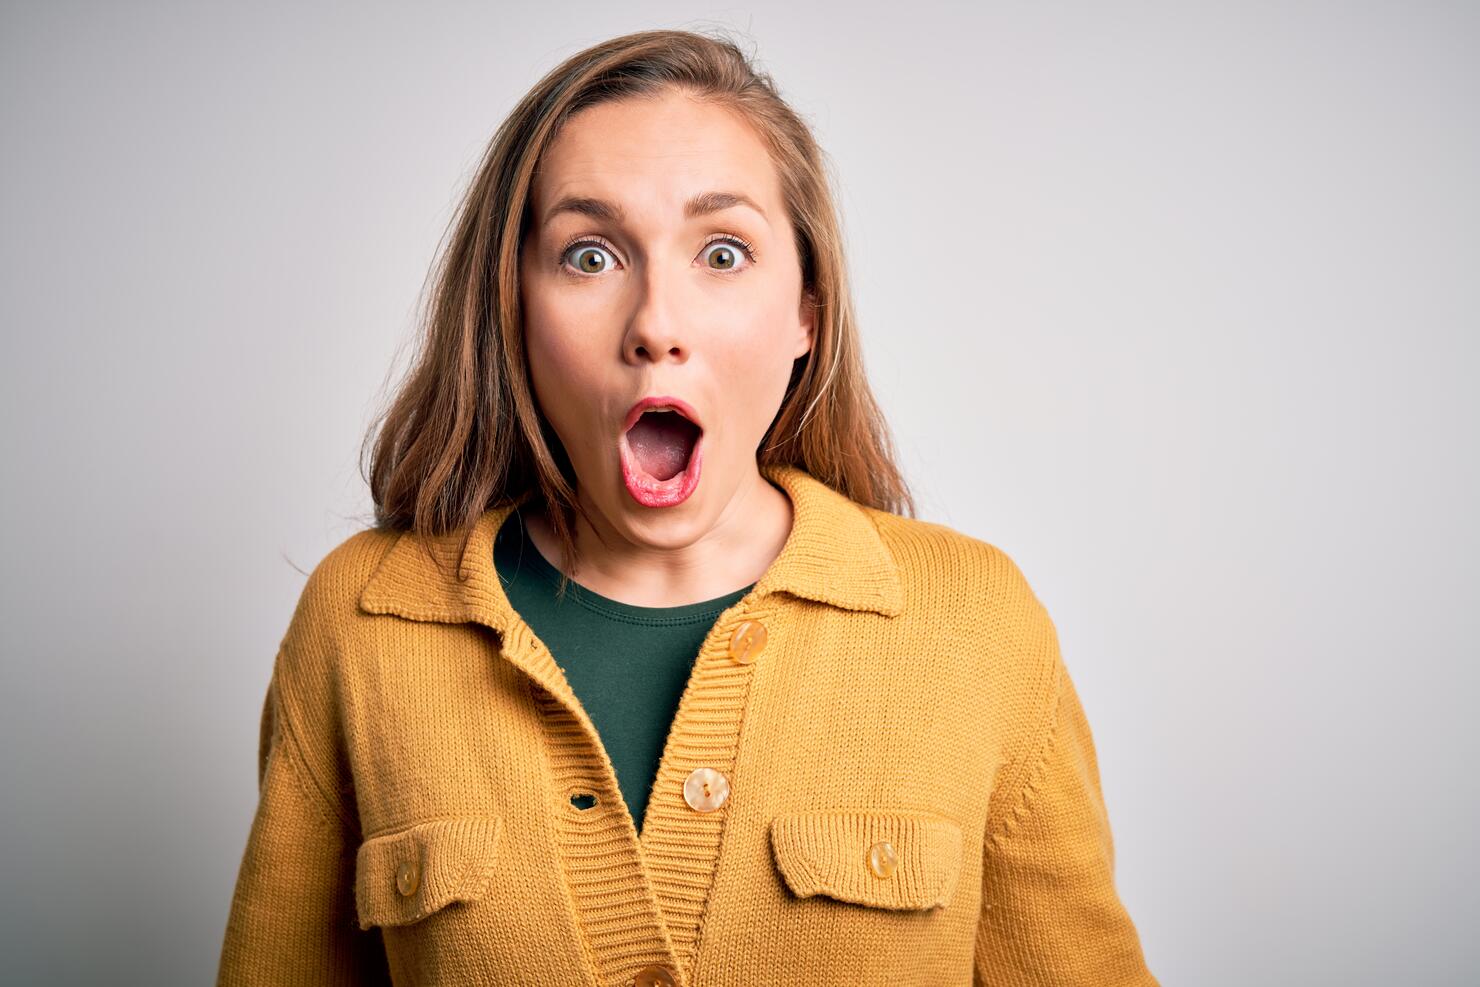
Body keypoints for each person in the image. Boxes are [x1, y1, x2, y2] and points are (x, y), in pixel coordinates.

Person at [216, 27, 1157, 987]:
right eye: (589, 256)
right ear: (512, 310)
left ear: (806, 312)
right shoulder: (362, 624)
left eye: (722, 252)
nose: (656, 324)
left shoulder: (976, 623)